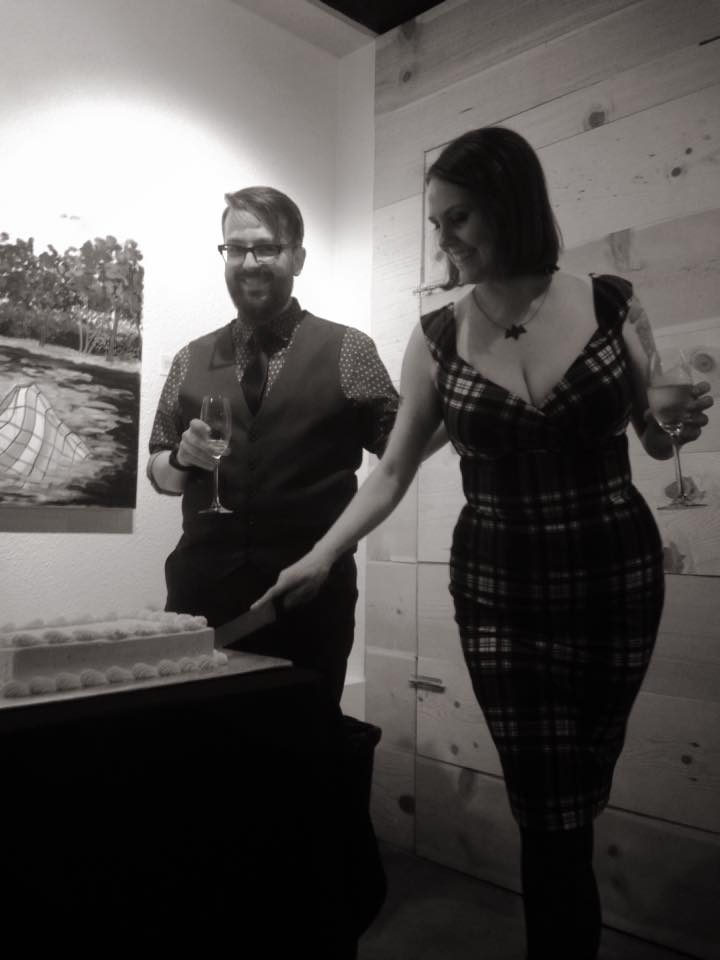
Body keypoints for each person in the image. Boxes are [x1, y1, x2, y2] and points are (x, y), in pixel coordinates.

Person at [252, 127, 714, 959]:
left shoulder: (610, 302)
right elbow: (393, 471)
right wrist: (323, 553)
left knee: (580, 789)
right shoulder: (437, 336)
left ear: (511, 204)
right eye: (436, 222)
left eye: (457, 217)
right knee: (549, 809)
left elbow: (652, 434)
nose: (444, 239)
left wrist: (674, 421)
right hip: (500, 592)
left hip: (615, 581)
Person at [147, 186, 398, 705]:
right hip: (202, 601)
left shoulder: (349, 349)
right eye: (235, 249)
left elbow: (400, 452)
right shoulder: (190, 358)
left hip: (308, 600)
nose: (249, 262)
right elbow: (160, 475)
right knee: (196, 742)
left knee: (302, 742)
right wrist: (180, 458)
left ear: (297, 258)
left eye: (266, 248)